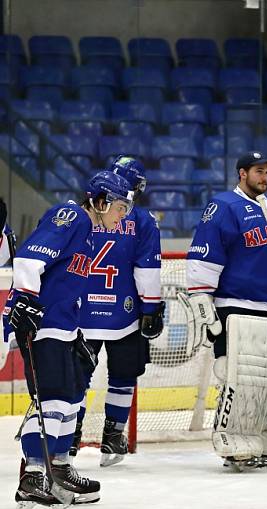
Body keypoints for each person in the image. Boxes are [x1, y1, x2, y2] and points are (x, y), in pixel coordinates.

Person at [6, 171, 134, 509]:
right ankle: (32, 484)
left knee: (70, 399)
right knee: (50, 401)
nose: (123, 216)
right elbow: (29, 259)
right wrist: (27, 301)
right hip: (41, 323)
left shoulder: (91, 232)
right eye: (120, 207)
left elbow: (63, 281)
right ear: (103, 201)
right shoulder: (72, 216)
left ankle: (58, 472)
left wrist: (73, 329)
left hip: (61, 326)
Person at [184, 151, 267, 469]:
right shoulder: (223, 206)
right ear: (242, 174)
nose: (264, 177)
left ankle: (258, 430)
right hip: (234, 305)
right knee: (238, 377)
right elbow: (204, 257)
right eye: (258, 171)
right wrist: (203, 303)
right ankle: (232, 433)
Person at [71, 157, 163, 467]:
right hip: (125, 314)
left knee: (76, 378)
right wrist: (151, 307)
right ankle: (112, 437)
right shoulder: (143, 220)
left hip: (82, 312)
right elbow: (147, 268)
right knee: (123, 377)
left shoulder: (82, 214)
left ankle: (70, 436)